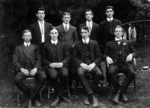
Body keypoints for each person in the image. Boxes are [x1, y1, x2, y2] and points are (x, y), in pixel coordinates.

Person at [13, 29, 46, 107]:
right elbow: (15, 61)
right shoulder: (18, 48)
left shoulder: (35, 47)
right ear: (22, 37)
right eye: (25, 36)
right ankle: (32, 96)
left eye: (28, 35)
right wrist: (22, 69)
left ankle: (30, 96)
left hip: (34, 69)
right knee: (17, 79)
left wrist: (35, 68)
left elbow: (39, 59)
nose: (27, 37)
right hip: (23, 69)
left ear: (31, 37)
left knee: (43, 77)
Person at [104, 25, 136, 104]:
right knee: (110, 72)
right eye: (116, 31)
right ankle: (122, 93)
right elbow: (104, 54)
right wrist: (106, 57)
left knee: (132, 73)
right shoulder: (109, 43)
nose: (118, 33)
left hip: (125, 64)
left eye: (119, 31)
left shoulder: (127, 42)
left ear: (122, 33)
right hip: (114, 64)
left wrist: (131, 55)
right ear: (114, 33)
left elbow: (135, 52)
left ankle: (118, 93)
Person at [73, 26, 103, 107]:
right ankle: (91, 95)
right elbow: (74, 57)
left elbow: (99, 56)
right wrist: (81, 64)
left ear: (89, 33)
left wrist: (93, 64)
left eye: (85, 32)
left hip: (92, 64)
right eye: (82, 33)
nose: (83, 34)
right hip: (82, 65)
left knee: (99, 74)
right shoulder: (77, 44)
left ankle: (89, 94)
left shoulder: (94, 43)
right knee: (80, 73)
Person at [42, 27, 70, 106]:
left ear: (58, 34)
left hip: (62, 66)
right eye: (52, 33)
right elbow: (43, 58)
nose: (54, 35)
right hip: (51, 67)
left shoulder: (63, 44)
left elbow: (68, 56)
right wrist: (50, 64)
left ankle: (59, 96)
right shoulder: (45, 45)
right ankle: (61, 96)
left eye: (55, 33)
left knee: (64, 74)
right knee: (53, 76)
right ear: (49, 34)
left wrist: (62, 63)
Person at [57, 11, 79, 88]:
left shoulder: (73, 28)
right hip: (61, 51)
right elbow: (57, 39)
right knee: (63, 66)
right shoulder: (58, 28)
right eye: (65, 18)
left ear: (70, 19)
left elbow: (76, 39)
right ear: (62, 18)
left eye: (68, 18)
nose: (66, 19)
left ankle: (71, 82)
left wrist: (74, 45)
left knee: (72, 67)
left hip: (71, 51)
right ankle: (63, 83)